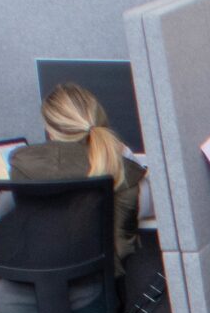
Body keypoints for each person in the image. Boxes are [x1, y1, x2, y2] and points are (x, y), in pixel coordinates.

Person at [10, 80, 143, 274]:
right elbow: (123, 245)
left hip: (30, 287)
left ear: (50, 128)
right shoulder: (122, 169)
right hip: (95, 289)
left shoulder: (22, 164)